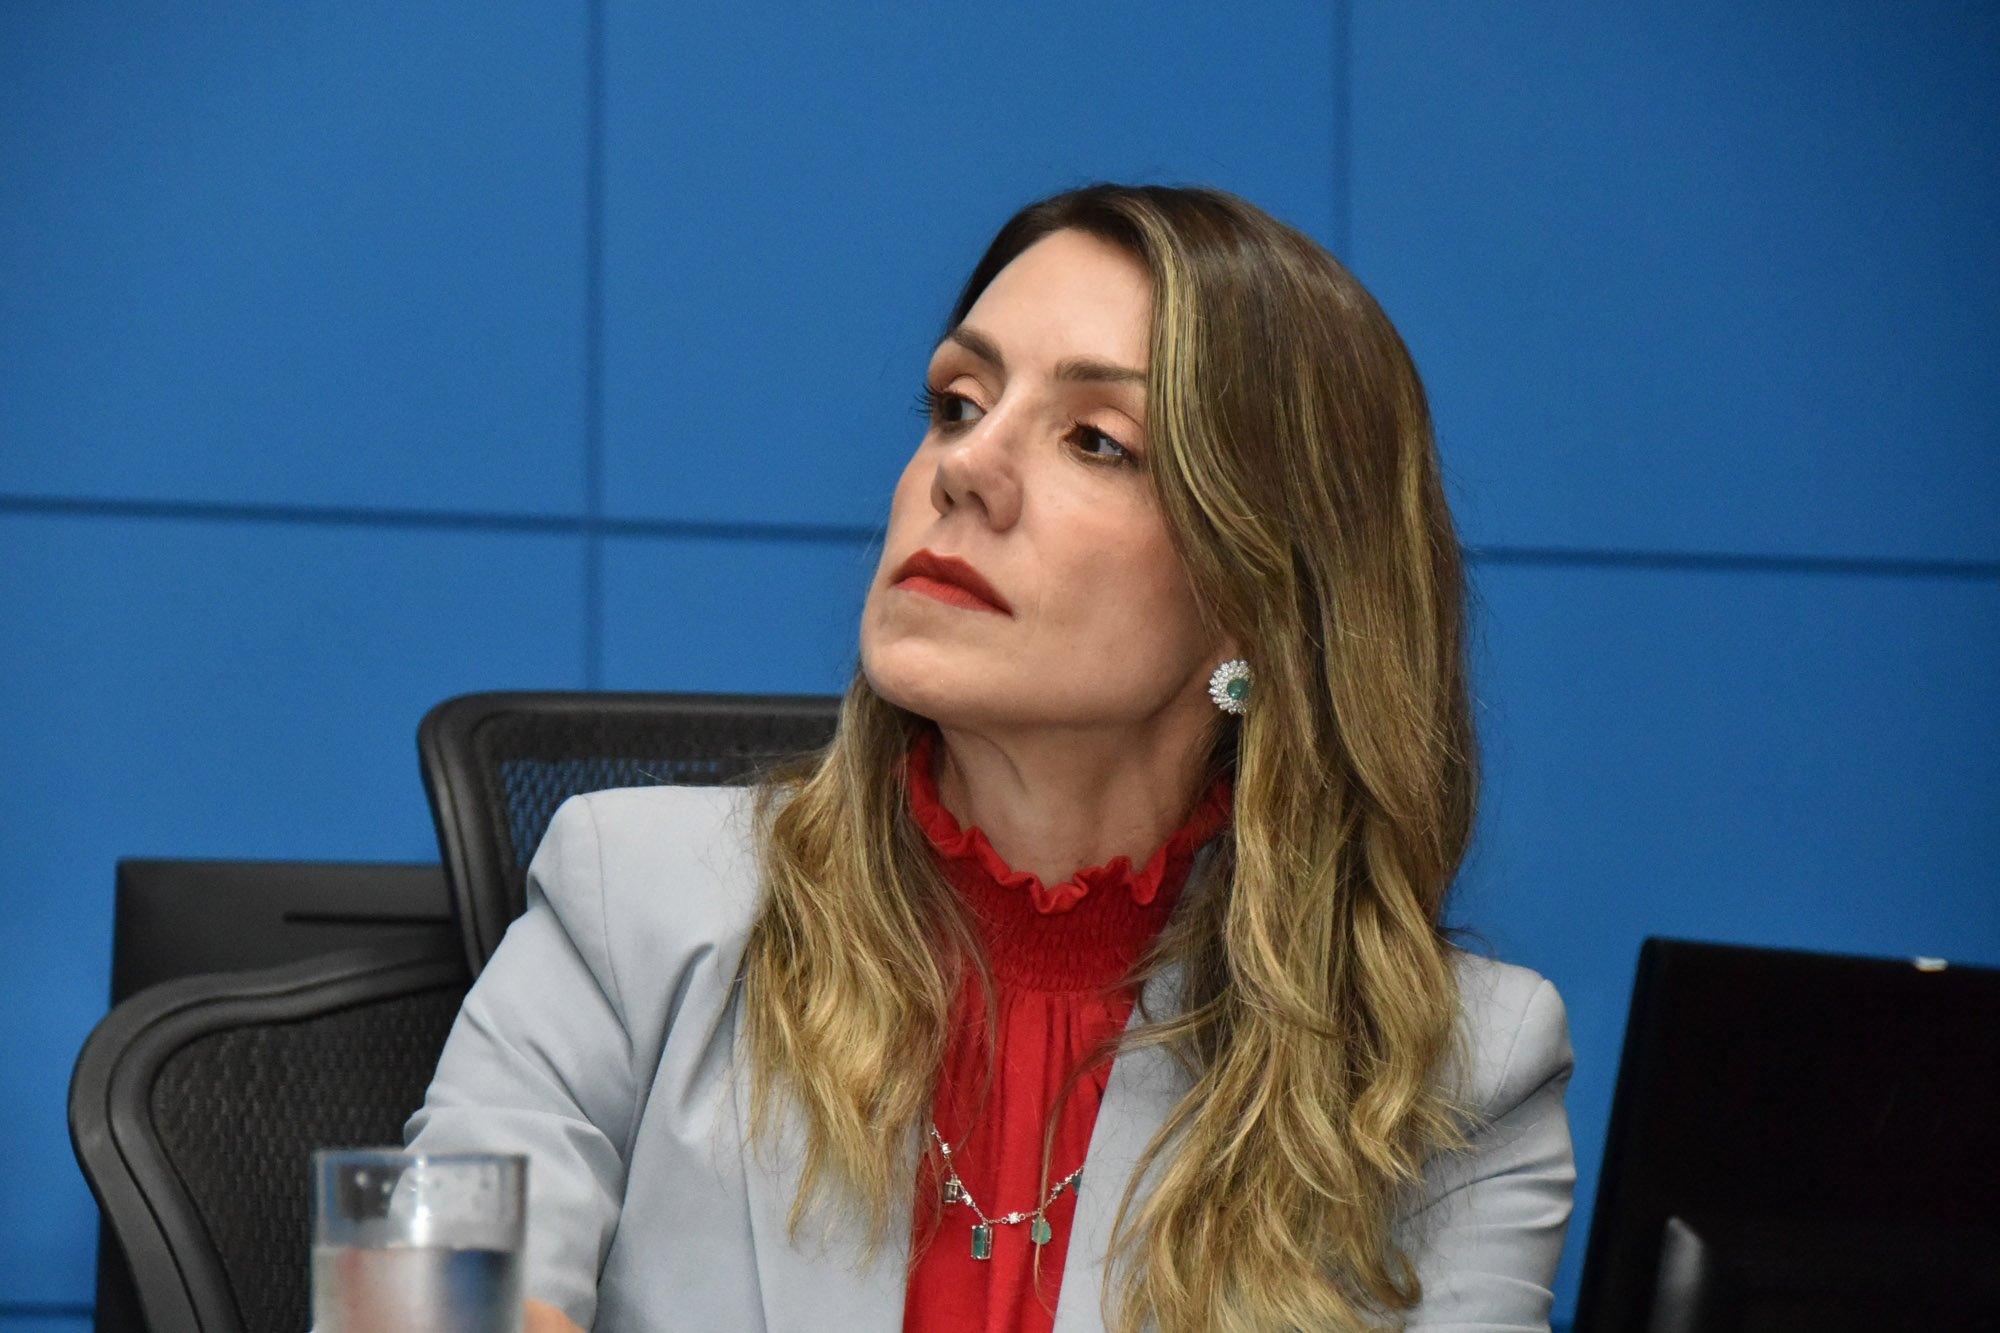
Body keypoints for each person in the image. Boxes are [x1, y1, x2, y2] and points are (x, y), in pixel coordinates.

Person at [406, 183, 1574, 1333]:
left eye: (1096, 441)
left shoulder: (1453, 1079)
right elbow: (420, 1300)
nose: (964, 466)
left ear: (1260, 602)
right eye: (957, 403)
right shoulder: (628, 900)